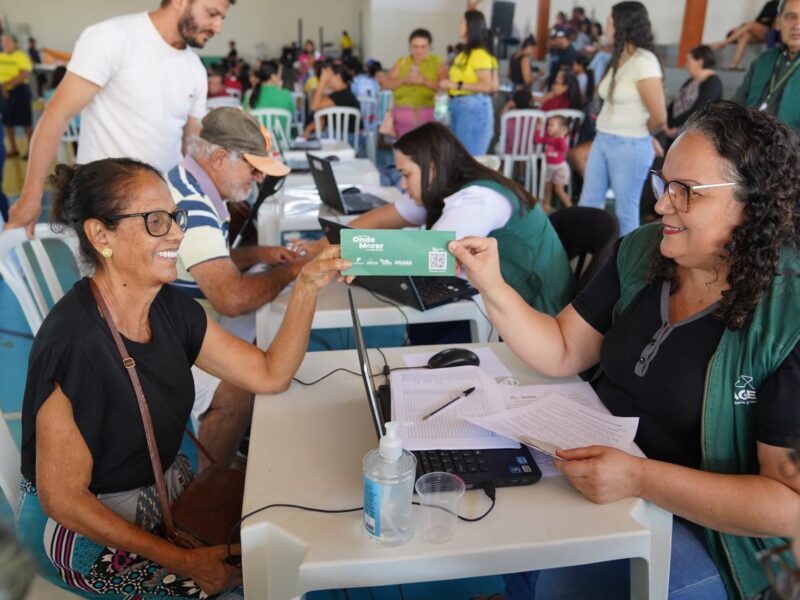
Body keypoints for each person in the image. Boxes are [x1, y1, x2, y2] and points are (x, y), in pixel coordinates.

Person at [449, 100, 800, 600]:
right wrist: (493, 286)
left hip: (719, 535)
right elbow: (564, 349)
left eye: (687, 193)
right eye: (663, 184)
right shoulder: (644, 251)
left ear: (754, 203)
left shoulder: (787, 314)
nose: (661, 206)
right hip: (604, 473)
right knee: (501, 523)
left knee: (563, 577)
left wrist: (639, 477)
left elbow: (788, 506)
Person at [16, 157, 348, 597]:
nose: (176, 232)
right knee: (238, 585)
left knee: (277, 553)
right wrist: (184, 561)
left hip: (160, 501)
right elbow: (64, 501)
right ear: (101, 235)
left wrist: (306, 285)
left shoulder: (171, 309)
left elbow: (269, 375)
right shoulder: (76, 345)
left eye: (175, 217)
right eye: (155, 221)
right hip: (84, 537)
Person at [6, 0, 234, 237]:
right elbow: (55, 116)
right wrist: (31, 197)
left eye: (222, 18)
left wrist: (215, 190)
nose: (218, 27)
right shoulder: (113, 38)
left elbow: (192, 143)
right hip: (107, 210)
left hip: (163, 211)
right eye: (212, 14)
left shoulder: (194, 68)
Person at [309, 122, 574, 316]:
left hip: (539, 311)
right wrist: (324, 245)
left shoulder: (477, 199)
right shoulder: (443, 187)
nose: (402, 185)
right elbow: (381, 219)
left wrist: (348, 252)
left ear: (432, 166)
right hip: (511, 299)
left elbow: (429, 259)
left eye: (406, 174)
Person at [168, 108, 305, 471]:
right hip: (161, 336)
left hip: (177, 313)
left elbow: (208, 262)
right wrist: (293, 271)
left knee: (263, 331)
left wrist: (258, 255)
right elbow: (230, 299)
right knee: (237, 384)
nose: (258, 176)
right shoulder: (192, 208)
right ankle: (213, 485)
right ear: (217, 158)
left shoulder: (189, 179)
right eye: (252, 167)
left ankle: (241, 432)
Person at [578, 1, 666, 235]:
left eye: (610, 20)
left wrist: (641, 134)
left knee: (625, 211)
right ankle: (587, 256)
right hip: (603, 139)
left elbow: (659, 116)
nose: (606, 24)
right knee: (588, 204)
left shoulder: (644, 61)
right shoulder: (618, 57)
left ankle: (624, 266)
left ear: (623, 24)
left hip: (629, 145)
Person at [733, 0, 800, 130]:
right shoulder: (764, 59)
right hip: (746, 139)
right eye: (791, 17)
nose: (797, 25)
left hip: (788, 146)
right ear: (778, 23)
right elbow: (736, 103)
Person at [440, 9, 497, 155]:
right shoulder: (464, 54)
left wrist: (455, 85)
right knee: (459, 156)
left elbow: (487, 86)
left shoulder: (479, 54)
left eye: (462, 22)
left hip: (472, 108)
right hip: (458, 106)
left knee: (469, 158)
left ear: (471, 26)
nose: (459, 25)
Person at [384, 28, 446, 138]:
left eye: (423, 47)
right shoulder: (402, 62)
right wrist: (404, 80)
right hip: (401, 120)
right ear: (409, 47)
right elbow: (386, 84)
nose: (419, 51)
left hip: (428, 119)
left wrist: (424, 81)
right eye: (415, 46)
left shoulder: (437, 62)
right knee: (402, 152)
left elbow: (445, 87)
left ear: (430, 47)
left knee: (426, 152)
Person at [665, 45, 722, 143]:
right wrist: (667, 122)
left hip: (689, 135)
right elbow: (676, 101)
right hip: (674, 132)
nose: (686, 65)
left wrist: (674, 125)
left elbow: (699, 110)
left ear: (700, 62)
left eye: (688, 61)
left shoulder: (713, 83)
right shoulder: (691, 80)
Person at [710, 1, 780, 69]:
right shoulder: (769, 4)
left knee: (749, 25)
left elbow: (774, 22)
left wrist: (765, 20)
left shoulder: (780, 5)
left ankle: (724, 43)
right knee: (746, 36)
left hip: (769, 31)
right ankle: (735, 63)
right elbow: (758, 20)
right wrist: (763, 20)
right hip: (759, 29)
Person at [305, 62, 360, 138]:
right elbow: (322, 119)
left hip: (345, 138)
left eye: (328, 75)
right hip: (349, 137)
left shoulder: (341, 96)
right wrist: (308, 129)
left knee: (312, 139)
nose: (326, 78)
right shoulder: (344, 93)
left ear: (337, 77)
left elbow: (314, 107)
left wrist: (322, 82)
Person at [0, 34, 34, 159]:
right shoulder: (1, 56)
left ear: (15, 43)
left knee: (26, 122)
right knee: (7, 122)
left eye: (8, 41)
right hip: (3, 93)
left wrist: (5, 85)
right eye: (3, 42)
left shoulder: (21, 56)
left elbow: (23, 74)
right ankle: (13, 148)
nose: (5, 44)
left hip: (19, 91)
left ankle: (31, 150)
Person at [246, 60, 295, 136]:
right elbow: (292, 115)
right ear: (273, 77)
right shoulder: (286, 95)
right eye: (279, 75)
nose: (280, 78)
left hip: (258, 144)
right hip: (282, 144)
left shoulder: (249, 95)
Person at [534, 115, 572, 212]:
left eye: (551, 125)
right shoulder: (547, 138)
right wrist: (538, 128)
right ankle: (546, 207)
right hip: (549, 167)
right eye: (548, 125)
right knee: (547, 188)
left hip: (560, 168)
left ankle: (572, 209)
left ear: (562, 129)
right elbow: (537, 140)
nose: (548, 127)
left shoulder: (560, 140)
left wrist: (562, 137)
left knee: (559, 190)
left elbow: (564, 149)